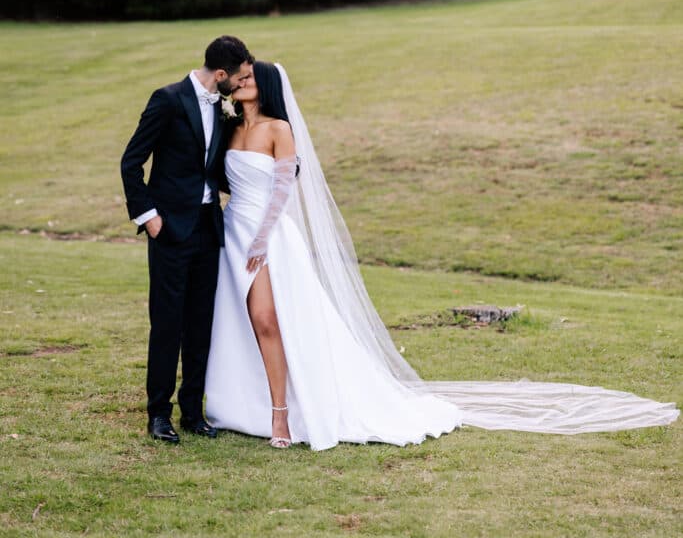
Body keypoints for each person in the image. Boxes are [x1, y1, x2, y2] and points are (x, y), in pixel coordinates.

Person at [205, 63, 679, 451]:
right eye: (236, 79)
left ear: (263, 84)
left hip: (268, 238)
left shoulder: (278, 128)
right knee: (241, 320)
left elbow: (284, 188)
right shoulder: (228, 128)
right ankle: (243, 401)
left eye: (247, 77)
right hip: (233, 231)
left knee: (271, 320)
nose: (240, 82)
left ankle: (282, 414)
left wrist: (263, 237)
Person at [121, 35, 253, 443]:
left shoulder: (224, 108)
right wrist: (149, 217)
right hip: (170, 230)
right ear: (220, 75)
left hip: (208, 228)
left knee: (201, 323)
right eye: (240, 78)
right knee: (167, 324)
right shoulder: (167, 99)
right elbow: (131, 162)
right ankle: (158, 413)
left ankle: (193, 411)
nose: (242, 84)